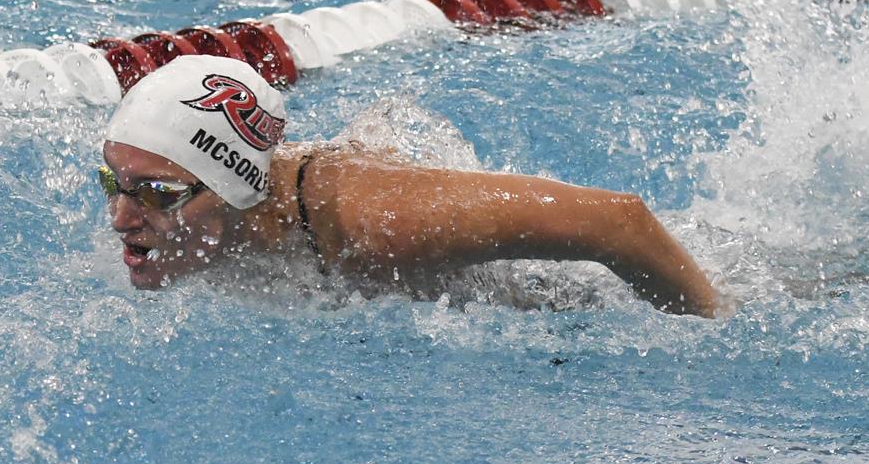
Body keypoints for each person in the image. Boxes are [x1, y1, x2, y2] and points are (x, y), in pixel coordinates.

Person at [100, 55, 724, 317]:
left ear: (233, 187)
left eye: (156, 194)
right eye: (113, 183)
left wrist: (712, 329)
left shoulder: (373, 226)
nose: (121, 218)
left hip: (595, 291)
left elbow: (616, 222)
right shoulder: (208, 219)